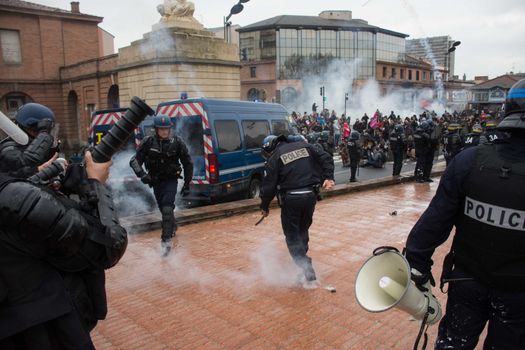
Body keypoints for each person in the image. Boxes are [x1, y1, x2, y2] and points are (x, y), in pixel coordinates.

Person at [404, 78, 525, 349]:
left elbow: (434, 221)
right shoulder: (469, 158)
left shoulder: (470, 160)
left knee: (453, 344)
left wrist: (417, 263)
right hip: (517, 295)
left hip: (468, 280)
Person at [0, 151, 127, 349]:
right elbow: (109, 246)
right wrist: (96, 184)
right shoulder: (13, 199)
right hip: (45, 331)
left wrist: (39, 180)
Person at [259, 135, 334, 288]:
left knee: (292, 236)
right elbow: (326, 157)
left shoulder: (275, 157)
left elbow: (268, 186)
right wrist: (328, 177)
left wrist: (264, 206)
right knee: (302, 230)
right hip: (310, 197)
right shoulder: (305, 146)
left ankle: (306, 268)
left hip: (291, 200)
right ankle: (302, 262)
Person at [130, 115, 193, 256]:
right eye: (161, 129)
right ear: (156, 129)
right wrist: (142, 175)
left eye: (167, 129)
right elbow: (134, 161)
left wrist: (187, 183)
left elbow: (188, 163)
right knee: (164, 209)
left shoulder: (177, 142)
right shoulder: (148, 142)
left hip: (171, 181)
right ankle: (172, 225)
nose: (164, 132)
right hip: (155, 182)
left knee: (166, 208)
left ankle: (166, 243)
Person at [0, 103, 58, 178]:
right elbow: (23, 163)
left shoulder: (32, 145)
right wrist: (38, 170)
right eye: (36, 131)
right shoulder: (8, 148)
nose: (38, 135)